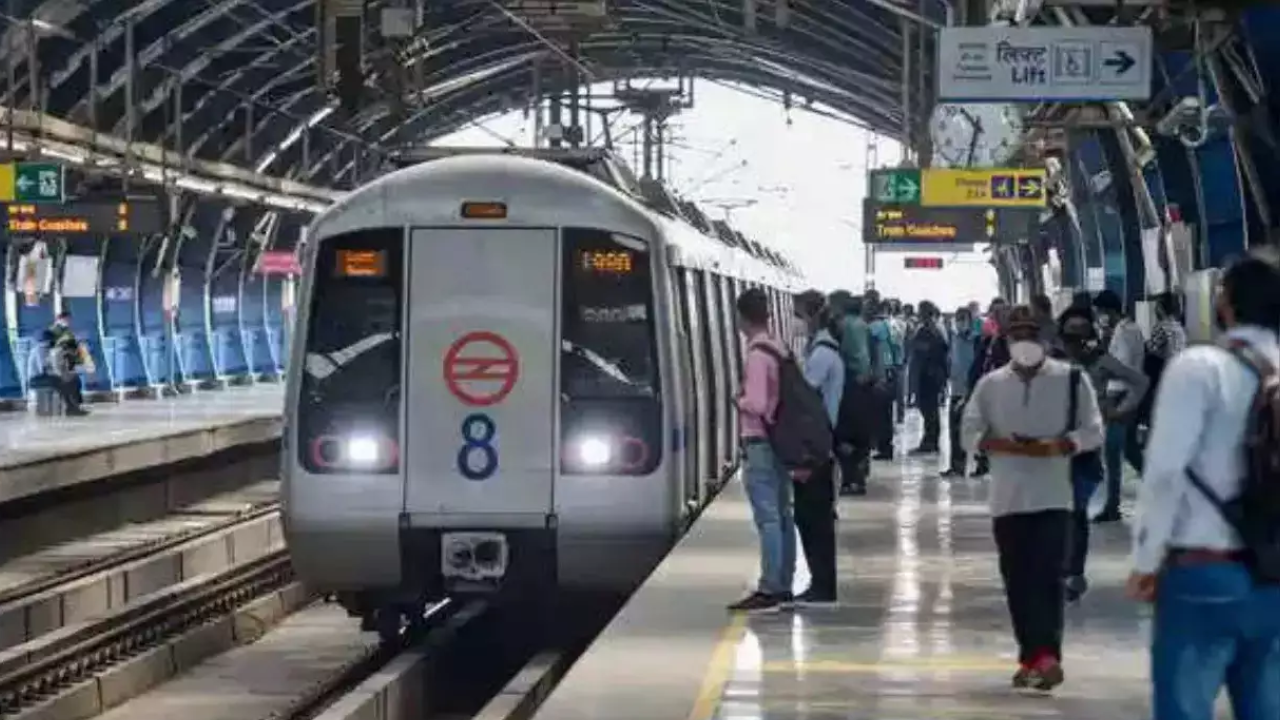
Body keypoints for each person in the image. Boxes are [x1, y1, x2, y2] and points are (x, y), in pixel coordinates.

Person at [1128, 250, 1280, 720]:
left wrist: (1146, 560)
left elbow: (1166, 469)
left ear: (1226, 305)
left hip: (1204, 569)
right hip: (1274, 575)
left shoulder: (1200, 368)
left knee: (1185, 708)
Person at [962, 305, 1104, 691]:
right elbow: (968, 429)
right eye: (1017, 335)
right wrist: (993, 443)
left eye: (1031, 335)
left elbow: (1094, 431)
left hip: (1055, 497)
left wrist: (1062, 444)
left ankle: (1047, 656)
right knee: (1018, 581)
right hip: (1008, 499)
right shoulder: (991, 385)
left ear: (1044, 340)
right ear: (1007, 341)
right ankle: (1031, 657)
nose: (1024, 342)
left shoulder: (1071, 380)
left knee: (1048, 579)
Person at [1057, 306, 1148, 602]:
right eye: (1071, 335)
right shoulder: (1050, 362)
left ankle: (1074, 572)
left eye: (1083, 335)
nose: (1077, 342)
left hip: (1085, 446)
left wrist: (1119, 411)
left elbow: (1140, 382)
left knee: (1077, 511)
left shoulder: (1099, 362)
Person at [728, 288, 794, 613]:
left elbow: (754, 403)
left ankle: (770, 587)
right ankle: (784, 581)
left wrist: (737, 400)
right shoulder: (778, 346)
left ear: (742, 318)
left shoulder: (756, 355)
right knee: (783, 514)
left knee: (767, 517)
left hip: (760, 441)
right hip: (779, 441)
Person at [791, 290, 843, 605]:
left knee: (814, 520)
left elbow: (805, 396)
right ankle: (820, 583)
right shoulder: (824, 349)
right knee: (813, 518)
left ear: (809, 316)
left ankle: (823, 586)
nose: (794, 323)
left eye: (796, 315)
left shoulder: (822, 354)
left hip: (816, 446)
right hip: (821, 443)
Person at [1092, 289, 1146, 522]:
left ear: (1109, 311)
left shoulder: (1125, 333)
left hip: (1121, 397)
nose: (1099, 317)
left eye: (1100, 312)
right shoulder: (1127, 329)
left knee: (1113, 452)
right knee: (1131, 451)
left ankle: (1112, 505)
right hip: (1126, 395)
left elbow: (1121, 365)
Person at [829, 291, 871, 496]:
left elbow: (839, 352)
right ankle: (860, 477)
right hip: (864, 384)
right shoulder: (864, 325)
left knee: (844, 435)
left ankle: (849, 479)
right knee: (861, 434)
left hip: (848, 382)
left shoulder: (842, 325)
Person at [966, 298, 1011, 477]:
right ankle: (984, 461)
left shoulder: (1013, 340)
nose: (997, 318)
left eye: (1001, 315)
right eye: (995, 314)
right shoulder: (988, 340)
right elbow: (980, 364)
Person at [942, 305, 979, 477]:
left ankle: (982, 464)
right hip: (956, 390)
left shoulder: (977, 340)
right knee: (955, 430)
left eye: (963, 319)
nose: (960, 323)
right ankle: (956, 466)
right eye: (958, 319)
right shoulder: (953, 338)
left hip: (973, 392)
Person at [909, 301, 949, 455]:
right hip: (933, 374)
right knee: (929, 409)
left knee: (929, 409)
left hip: (929, 374)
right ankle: (930, 440)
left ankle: (930, 441)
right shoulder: (937, 328)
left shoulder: (929, 330)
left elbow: (928, 351)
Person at [41, 311, 88, 416]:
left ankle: (75, 406)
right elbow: (49, 347)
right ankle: (72, 408)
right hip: (55, 363)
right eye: (66, 319)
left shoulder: (67, 331)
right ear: (60, 319)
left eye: (69, 320)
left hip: (64, 361)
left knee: (75, 381)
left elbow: (72, 346)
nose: (68, 322)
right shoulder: (51, 331)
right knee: (69, 383)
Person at [868, 297, 898, 459]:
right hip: (890, 371)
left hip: (880, 375)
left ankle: (883, 447)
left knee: (880, 414)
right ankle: (886, 446)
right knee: (886, 413)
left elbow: (870, 352)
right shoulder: (891, 325)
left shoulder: (874, 327)